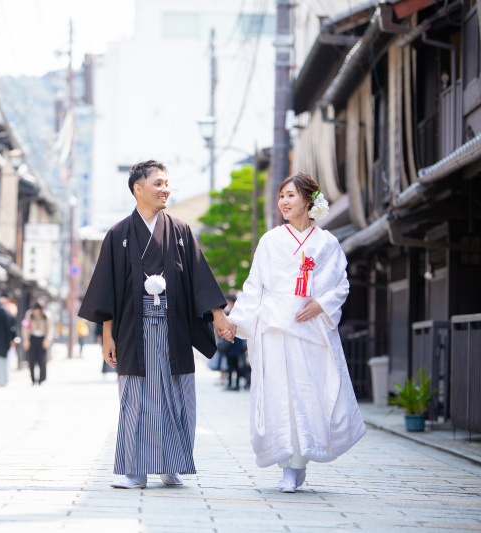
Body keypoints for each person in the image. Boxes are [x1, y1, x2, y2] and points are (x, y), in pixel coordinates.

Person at [78, 160, 233, 489]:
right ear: (138, 188)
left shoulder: (179, 231)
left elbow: (199, 277)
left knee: (177, 394)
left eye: (167, 184)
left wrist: (219, 314)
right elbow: (106, 288)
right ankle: (135, 471)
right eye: (158, 184)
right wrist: (107, 335)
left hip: (173, 326)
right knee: (137, 395)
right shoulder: (119, 234)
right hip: (135, 329)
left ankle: (172, 465)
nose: (166, 189)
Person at [228, 172, 366, 493]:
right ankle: (288, 465)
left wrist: (321, 304)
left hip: (310, 329)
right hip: (274, 327)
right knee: (280, 395)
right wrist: (236, 321)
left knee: (307, 393)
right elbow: (254, 286)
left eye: (291, 196)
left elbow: (340, 285)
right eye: (281, 196)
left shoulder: (326, 243)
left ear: (308, 201)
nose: (284, 202)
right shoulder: (270, 240)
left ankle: (300, 460)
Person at [22, 301, 53, 385]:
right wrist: (26, 339)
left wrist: (47, 339)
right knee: (31, 359)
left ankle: (41, 379)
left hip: (42, 339)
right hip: (32, 338)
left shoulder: (46, 315)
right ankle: (32, 379)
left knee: (42, 360)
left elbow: (50, 328)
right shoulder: (29, 314)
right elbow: (25, 327)